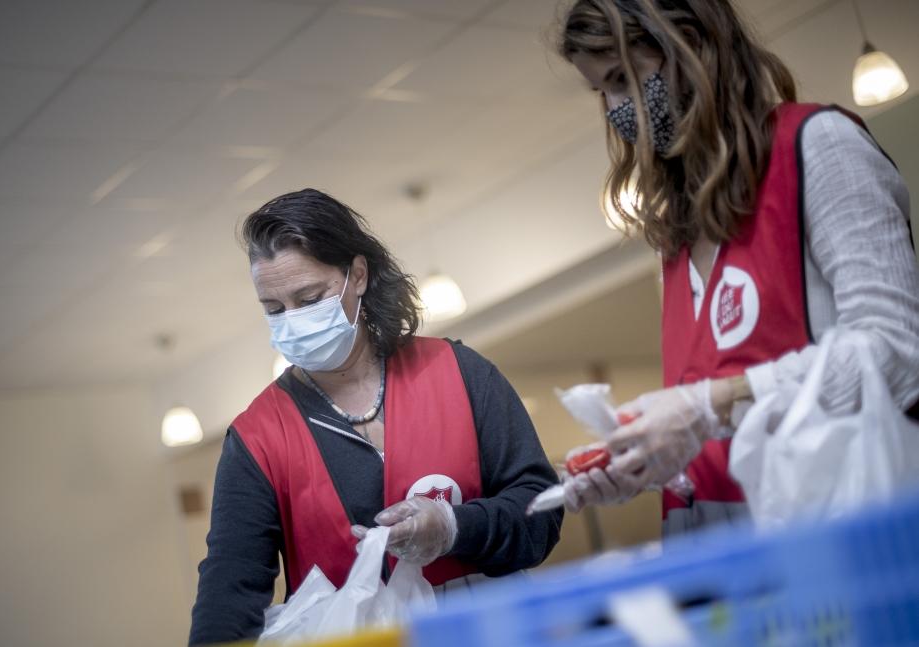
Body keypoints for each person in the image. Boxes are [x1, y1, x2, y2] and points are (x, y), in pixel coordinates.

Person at [556, 0, 919, 535]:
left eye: (622, 77)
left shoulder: (817, 147)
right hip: (727, 553)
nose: (616, 108)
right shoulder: (676, 233)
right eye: (601, 92)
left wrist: (706, 406)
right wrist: (647, 456)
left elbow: (896, 353)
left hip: (838, 528)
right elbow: (728, 420)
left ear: (691, 44)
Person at [189, 188, 562, 645]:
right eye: (274, 310)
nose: (293, 321)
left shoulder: (459, 373)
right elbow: (230, 586)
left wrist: (453, 527)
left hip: (494, 628)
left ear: (358, 275)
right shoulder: (258, 438)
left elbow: (542, 508)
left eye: (309, 299)